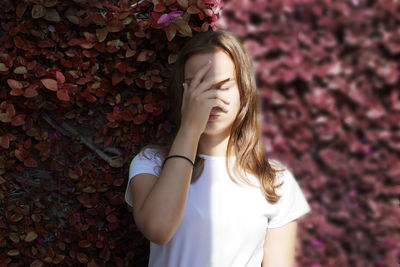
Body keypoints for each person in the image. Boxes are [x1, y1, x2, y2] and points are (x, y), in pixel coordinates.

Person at [124, 30, 311, 267]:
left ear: (244, 91)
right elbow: (158, 229)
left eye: (222, 85)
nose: (210, 98)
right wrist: (191, 128)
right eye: (198, 86)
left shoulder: (275, 180)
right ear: (182, 92)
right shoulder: (152, 162)